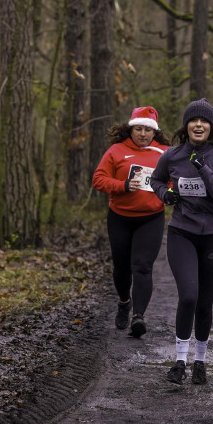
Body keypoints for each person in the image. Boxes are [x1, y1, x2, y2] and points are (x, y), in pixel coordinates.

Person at [149, 98, 213, 385]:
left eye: (204, 121)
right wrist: (165, 195)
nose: (198, 125)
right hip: (182, 232)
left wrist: (203, 168)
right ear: (186, 125)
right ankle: (179, 362)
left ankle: (200, 360)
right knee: (188, 295)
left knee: (204, 301)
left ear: (210, 127)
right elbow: (156, 181)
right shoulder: (172, 155)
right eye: (193, 120)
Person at [92, 106, 170, 338]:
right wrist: (122, 186)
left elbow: (175, 180)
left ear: (154, 132)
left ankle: (139, 316)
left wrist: (168, 192)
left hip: (151, 217)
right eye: (139, 129)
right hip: (120, 217)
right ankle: (124, 302)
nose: (143, 133)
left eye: (148, 129)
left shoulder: (165, 153)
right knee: (122, 267)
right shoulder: (116, 151)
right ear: (131, 129)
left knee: (143, 266)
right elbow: (98, 179)